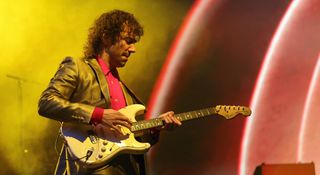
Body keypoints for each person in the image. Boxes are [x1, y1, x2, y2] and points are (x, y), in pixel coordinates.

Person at [38, 9, 181, 175]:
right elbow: (46, 102)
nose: (133, 49)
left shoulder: (125, 91)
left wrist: (156, 128)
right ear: (106, 37)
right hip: (88, 168)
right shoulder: (78, 67)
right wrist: (98, 115)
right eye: (128, 41)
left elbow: (131, 140)